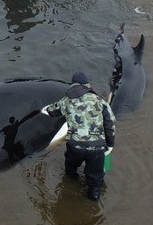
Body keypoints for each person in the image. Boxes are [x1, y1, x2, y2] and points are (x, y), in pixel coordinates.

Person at [43, 71, 116, 200]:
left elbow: (52, 111)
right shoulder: (100, 101)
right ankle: (93, 199)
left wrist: (44, 110)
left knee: (70, 169)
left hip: (75, 146)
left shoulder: (66, 101)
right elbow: (110, 124)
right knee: (95, 179)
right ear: (87, 85)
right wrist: (110, 144)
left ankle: (69, 188)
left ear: (73, 85)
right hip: (97, 148)